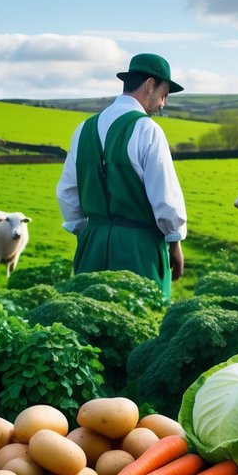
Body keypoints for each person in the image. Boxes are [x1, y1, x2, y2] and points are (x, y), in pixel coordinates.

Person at [55, 53, 188, 299]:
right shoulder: (148, 130)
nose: (163, 103)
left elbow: (66, 192)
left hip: (91, 246)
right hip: (140, 250)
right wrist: (175, 241)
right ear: (150, 85)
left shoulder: (84, 129)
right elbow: (165, 197)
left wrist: (86, 233)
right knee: (142, 325)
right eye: (164, 93)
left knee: (88, 326)